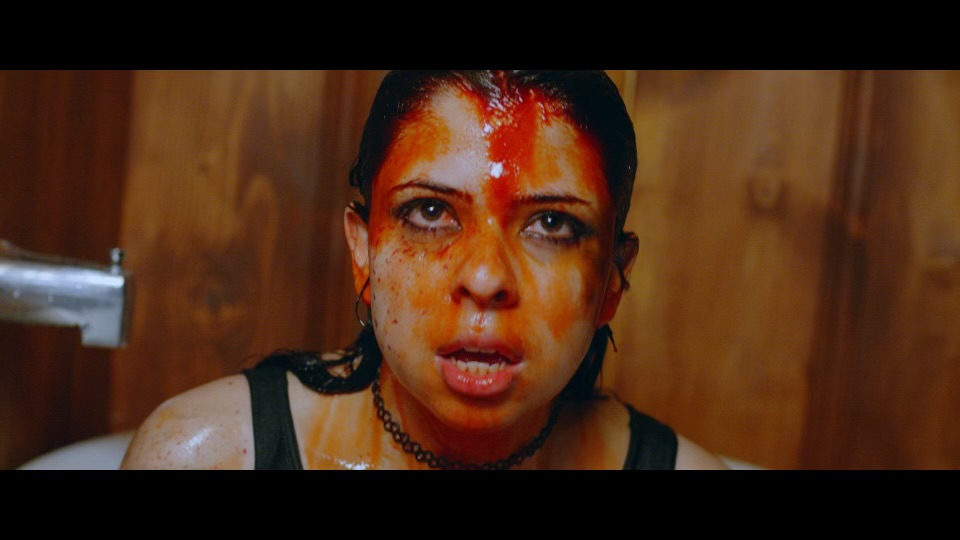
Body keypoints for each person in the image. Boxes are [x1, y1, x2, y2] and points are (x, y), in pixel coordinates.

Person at [121, 70, 727, 470]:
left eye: (551, 224)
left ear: (612, 280)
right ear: (363, 250)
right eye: (430, 212)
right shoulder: (206, 454)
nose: (485, 278)